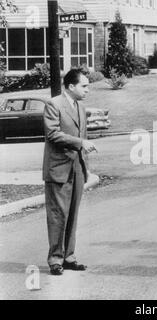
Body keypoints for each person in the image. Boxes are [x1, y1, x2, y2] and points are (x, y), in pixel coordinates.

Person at [43, 69, 97, 276]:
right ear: (71, 86)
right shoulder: (53, 104)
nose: (87, 90)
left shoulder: (80, 107)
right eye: (84, 86)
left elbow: (82, 137)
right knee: (58, 215)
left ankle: (69, 257)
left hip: (77, 168)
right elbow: (53, 134)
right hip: (58, 168)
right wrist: (80, 143)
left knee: (73, 214)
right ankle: (55, 259)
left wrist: (87, 168)